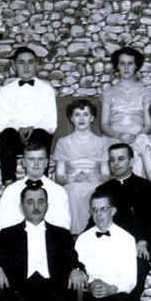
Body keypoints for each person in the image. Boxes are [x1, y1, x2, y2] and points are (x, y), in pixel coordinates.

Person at [97, 142, 151, 277]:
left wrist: (144, 241)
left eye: (121, 159)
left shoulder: (148, 188)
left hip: (140, 249)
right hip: (110, 248)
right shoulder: (103, 190)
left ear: (131, 161)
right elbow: (94, 222)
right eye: (112, 160)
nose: (116, 164)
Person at [0, 46, 58, 185]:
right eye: (21, 62)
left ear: (36, 65)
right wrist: (19, 129)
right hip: (15, 138)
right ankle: (9, 182)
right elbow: (2, 122)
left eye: (30, 62)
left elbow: (51, 123)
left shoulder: (46, 90)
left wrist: (33, 127)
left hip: (37, 136)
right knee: (6, 134)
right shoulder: (6, 91)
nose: (26, 67)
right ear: (14, 66)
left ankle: (40, 181)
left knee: (41, 133)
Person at [53, 99, 112, 233]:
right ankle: (75, 234)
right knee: (74, 190)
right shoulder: (63, 142)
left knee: (96, 193)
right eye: (77, 114)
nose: (81, 118)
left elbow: (106, 174)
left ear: (92, 118)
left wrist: (94, 178)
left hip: (95, 183)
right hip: (71, 184)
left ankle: (94, 231)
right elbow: (59, 176)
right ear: (71, 118)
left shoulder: (102, 142)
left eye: (85, 114)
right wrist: (72, 179)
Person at [0, 141, 71, 231]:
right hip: (18, 237)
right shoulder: (11, 191)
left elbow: (64, 224)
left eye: (40, 159)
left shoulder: (58, 191)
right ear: (23, 162)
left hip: (49, 237)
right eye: (31, 159)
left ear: (46, 162)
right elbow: (2, 224)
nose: (36, 163)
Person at [99, 46, 151, 145]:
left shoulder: (145, 92)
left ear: (136, 66)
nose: (126, 67)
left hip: (138, 139)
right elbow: (104, 124)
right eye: (122, 63)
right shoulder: (108, 93)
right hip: (114, 138)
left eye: (130, 63)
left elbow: (148, 125)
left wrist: (137, 137)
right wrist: (118, 136)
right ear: (117, 66)